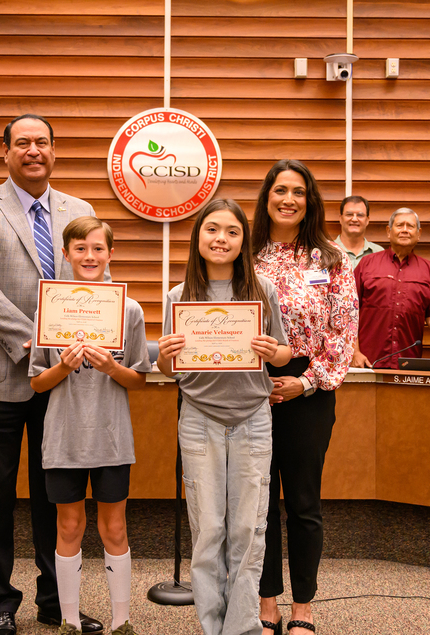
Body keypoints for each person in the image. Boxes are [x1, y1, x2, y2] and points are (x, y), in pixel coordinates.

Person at [0, 114, 104, 635]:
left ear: (54, 151)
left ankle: (54, 600)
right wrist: (39, 344)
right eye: (22, 142)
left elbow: (88, 282)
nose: (33, 150)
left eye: (42, 141)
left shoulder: (78, 210)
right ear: (6, 152)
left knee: (55, 493)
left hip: (60, 380)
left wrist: (90, 331)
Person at [157, 198, 291, 635]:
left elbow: (287, 352)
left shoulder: (262, 291)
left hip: (253, 419)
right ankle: (212, 628)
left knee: (249, 531)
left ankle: (243, 628)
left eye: (232, 232)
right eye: (212, 229)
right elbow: (167, 370)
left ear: (243, 241)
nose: (221, 239)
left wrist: (275, 352)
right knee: (209, 530)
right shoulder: (179, 297)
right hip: (199, 420)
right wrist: (164, 356)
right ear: (197, 237)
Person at [251, 161, 358, 635]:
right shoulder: (246, 253)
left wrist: (305, 382)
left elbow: (342, 333)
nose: (288, 199)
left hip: (311, 389)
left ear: (310, 200)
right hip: (252, 388)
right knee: (259, 503)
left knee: (302, 501)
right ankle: (267, 600)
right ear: (267, 197)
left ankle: (303, 608)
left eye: (298, 191)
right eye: (280, 190)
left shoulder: (332, 259)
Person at [29, 217, 150, 635]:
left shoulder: (129, 309)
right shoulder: (49, 308)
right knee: (69, 525)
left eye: (98, 248)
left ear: (110, 254)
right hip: (63, 438)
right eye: (80, 248)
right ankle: (68, 621)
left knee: (114, 526)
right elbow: (37, 382)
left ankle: (121, 621)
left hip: (111, 437)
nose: (89, 256)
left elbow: (140, 379)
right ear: (65, 254)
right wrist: (62, 367)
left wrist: (112, 367)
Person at [351, 207, 430, 369]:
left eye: (410, 226)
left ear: (419, 233)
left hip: (408, 363)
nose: (405, 230)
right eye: (400, 225)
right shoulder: (367, 264)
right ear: (389, 231)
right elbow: (349, 311)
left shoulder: (429, 270)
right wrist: (354, 352)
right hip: (367, 360)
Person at [333, 195, 383, 268]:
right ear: (340, 219)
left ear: (367, 220)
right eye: (349, 214)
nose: (354, 219)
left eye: (360, 215)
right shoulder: (326, 252)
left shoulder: (379, 253)